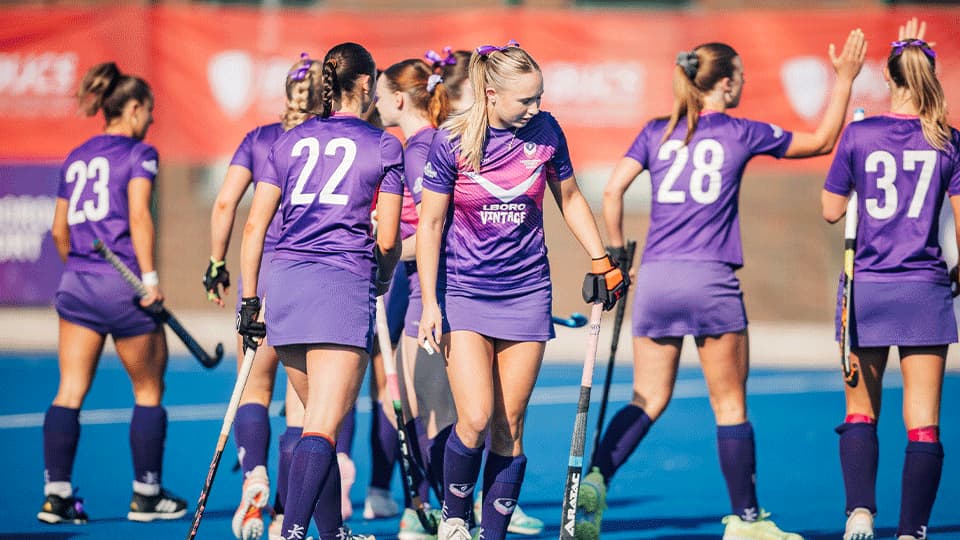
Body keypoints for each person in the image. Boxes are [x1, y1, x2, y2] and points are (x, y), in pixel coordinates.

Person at [592, 30, 867, 540]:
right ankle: (746, 521)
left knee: (647, 397)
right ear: (723, 84)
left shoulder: (655, 131)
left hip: (657, 279)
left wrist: (615, 255)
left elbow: (612, 191)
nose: (743, 84)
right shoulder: (741, 131)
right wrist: (845, 80)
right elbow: (823, 142)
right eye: (740, 76)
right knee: (730, 406)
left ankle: (595, 481)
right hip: (710, 280)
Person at [416, 41, 626, 540]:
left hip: (527, 291)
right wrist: (429, 302)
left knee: (509, 424)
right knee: (475, 418)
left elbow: (569, 197)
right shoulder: (451, 141)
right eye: (526, 100)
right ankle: (454, 518)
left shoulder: (547, 132)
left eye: (540, 97)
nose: (536, 108)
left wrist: (601, 258)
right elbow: (430, 224)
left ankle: (493, 534)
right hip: (465, 291)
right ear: (491, 94)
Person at [237, 41, 403, 540]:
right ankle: (293, 532)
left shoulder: (287, 141)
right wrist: (383, 277)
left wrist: (250, 300)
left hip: (284, 286)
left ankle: (332, 533)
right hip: (340, 287)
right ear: (366, 85)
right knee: (322, 427)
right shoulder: (384, 144)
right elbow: (388, 239)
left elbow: (254, 227)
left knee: (313, 419)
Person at [205, 53, 359, 540]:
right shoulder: (334, 139)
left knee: (253, 389)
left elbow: (226, 202)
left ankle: (254, 475)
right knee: (305, 414)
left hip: (262, 273)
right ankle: (287, 519)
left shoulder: (262, 139)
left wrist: (216, 263)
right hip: (311, 281)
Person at [821, 18, 958, 540]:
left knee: (861, 412)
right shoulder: (948, 141)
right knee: (923, 423)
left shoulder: (859, 134)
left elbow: (831, 210)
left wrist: (853, 174)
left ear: (887, 76)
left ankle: (860, 513)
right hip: (925, 291)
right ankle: (911, 531)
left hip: (867, 291)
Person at [39, 61, 187, 525]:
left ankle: (56, 497)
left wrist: (81, 272)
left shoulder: (77, 155)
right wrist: (151, 281)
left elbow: (59, 230)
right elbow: (139, 216)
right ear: (134, 108)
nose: (152, 119)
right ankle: (146, 495)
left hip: (78, 284)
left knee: (69, 390)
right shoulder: (140, 154)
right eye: (150, 110)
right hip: (125, 288)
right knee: (149, 388)